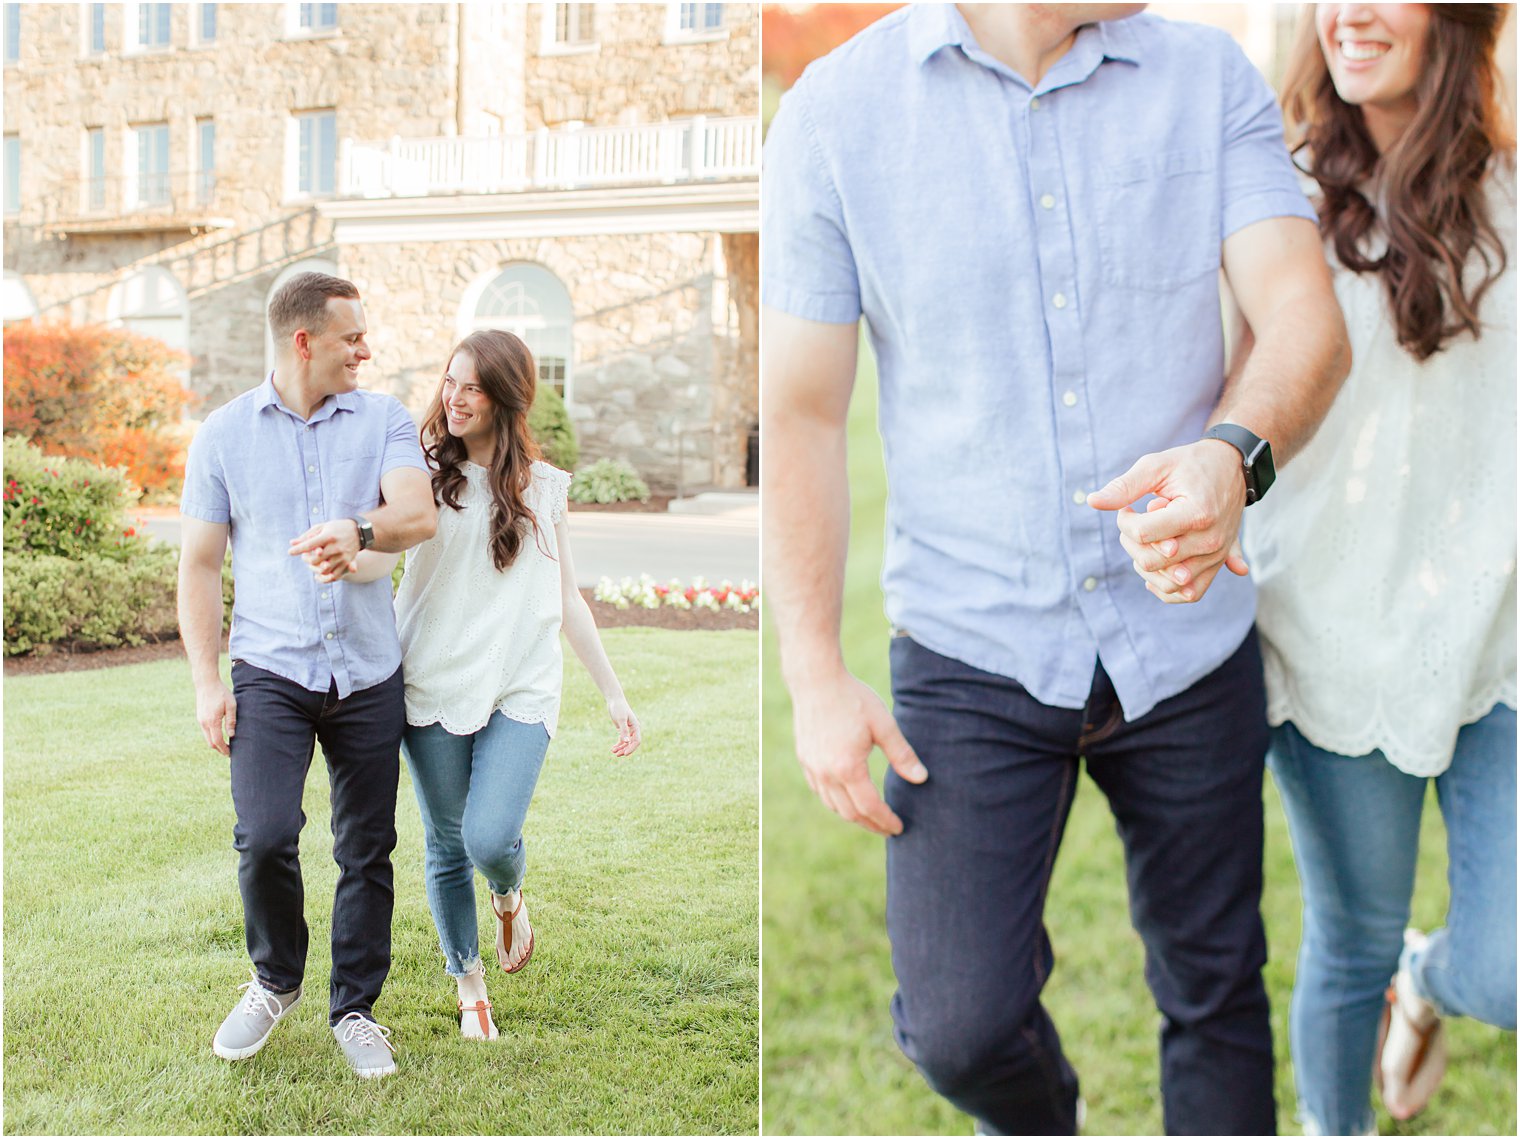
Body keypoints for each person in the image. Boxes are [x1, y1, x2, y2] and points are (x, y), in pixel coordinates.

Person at [762, 4, 1351, 1134]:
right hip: (968, 647)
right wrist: (811, 671)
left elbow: (1300, 316)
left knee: (1214, 990)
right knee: (960, 1027)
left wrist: (1232, 455)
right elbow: (797, 416)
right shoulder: (835, 116)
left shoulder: (1205, 76)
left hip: (1187, 636)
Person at [1237, 4, 1516, 1133]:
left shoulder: (1508, 197)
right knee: (1345, 942)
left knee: (1502, 966)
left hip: (1498, 638)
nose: (1346, 11)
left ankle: (1432, 976)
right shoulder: (1275, 192)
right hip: (1331, 633)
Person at [334, 329, 640, 1040]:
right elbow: (381, 561)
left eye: (472, 385)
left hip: (520, 684)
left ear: (505, 396)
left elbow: (567, 598)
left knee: (489, 834)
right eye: (450, 381)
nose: (456, 397)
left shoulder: (546, 488)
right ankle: (469, 982)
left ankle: (507, 890)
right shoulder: (421, 475)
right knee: (445, 843)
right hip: (432, 680)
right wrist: (350, 551)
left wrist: (614, 693)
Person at [177, 271, 437, 1079]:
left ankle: (355, 1007)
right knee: (263, 835)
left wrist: (357, 527)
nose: (367, 348)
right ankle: (274, 979)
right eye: (351, 336)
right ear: (303, 341)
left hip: (366, 671)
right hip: (271, 670)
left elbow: (418, 514)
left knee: (368, 846)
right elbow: (198, 563)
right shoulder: (223, 434)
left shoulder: (387, 418)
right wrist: (206, 681)